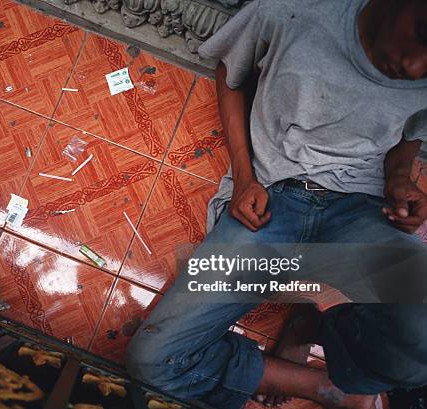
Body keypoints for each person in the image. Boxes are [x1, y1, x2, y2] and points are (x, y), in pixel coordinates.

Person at [126, 0, 427, 408]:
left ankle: (318, 330)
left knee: (420, 332)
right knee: (153, 362)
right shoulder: (295, 10)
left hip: (361, 210)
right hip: (272, 200)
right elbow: (231, 77)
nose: (414, 67)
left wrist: (398, 180)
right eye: (422, 31)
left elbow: (405, 140)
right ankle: (319, 384)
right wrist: (244, 178)